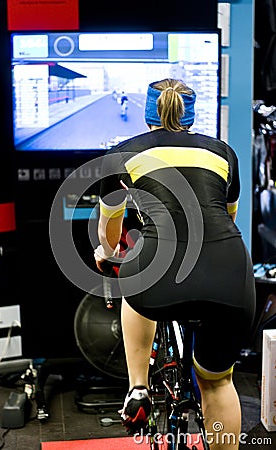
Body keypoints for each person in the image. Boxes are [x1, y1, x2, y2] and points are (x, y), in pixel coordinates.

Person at [94, 78, 256, 450]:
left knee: (133, 279)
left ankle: (137, 387)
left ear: (148, 112)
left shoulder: (121, 153)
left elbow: (110, 231)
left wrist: (106, 252)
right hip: (229, 274)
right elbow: (227, 217)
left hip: (159, 276)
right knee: (218, 382)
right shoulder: (223, 153)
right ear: (191, 114)